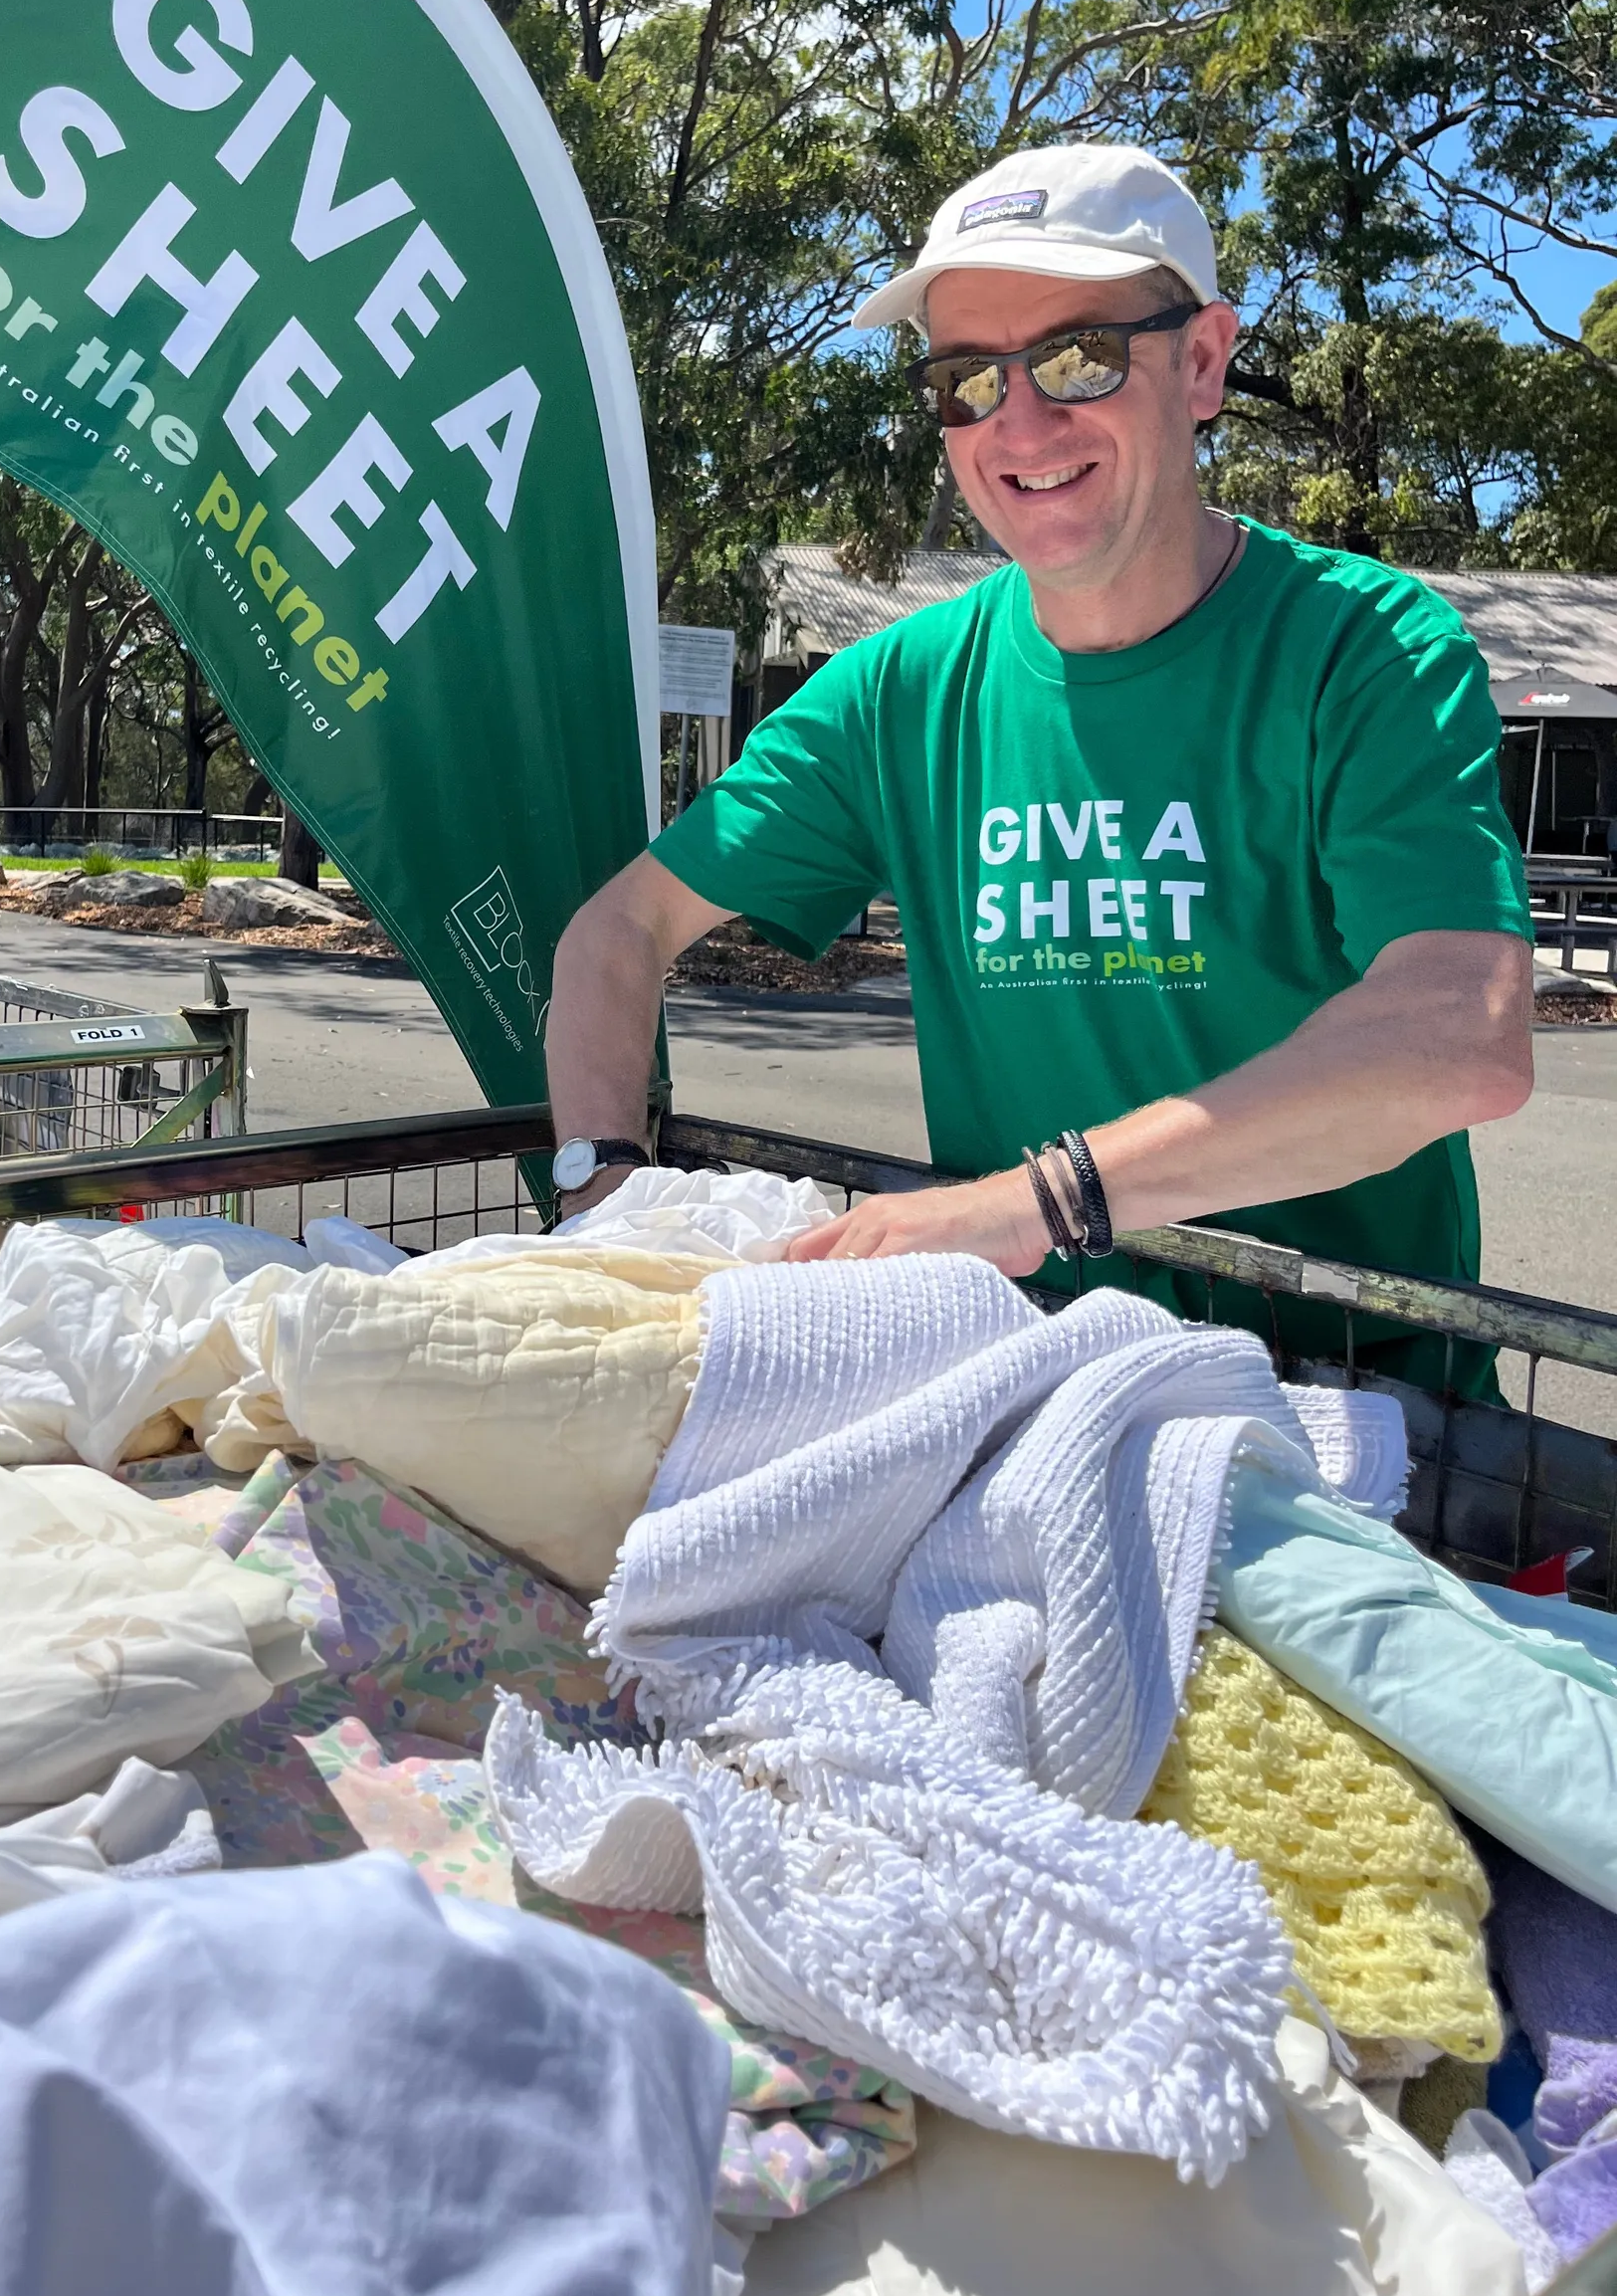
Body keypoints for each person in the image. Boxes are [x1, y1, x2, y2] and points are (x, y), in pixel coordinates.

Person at [547, 143, 1534, 1387]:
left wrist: (1042, 1200)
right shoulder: (896, 691)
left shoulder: (1366, 649)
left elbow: (1462, 1036)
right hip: (1022, 1378)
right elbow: (618, 932)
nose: (1018, 419)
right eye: (967, 378)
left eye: (1080, 357)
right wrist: (600, 1178)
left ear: (1205, 362)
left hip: (1360, 1403)